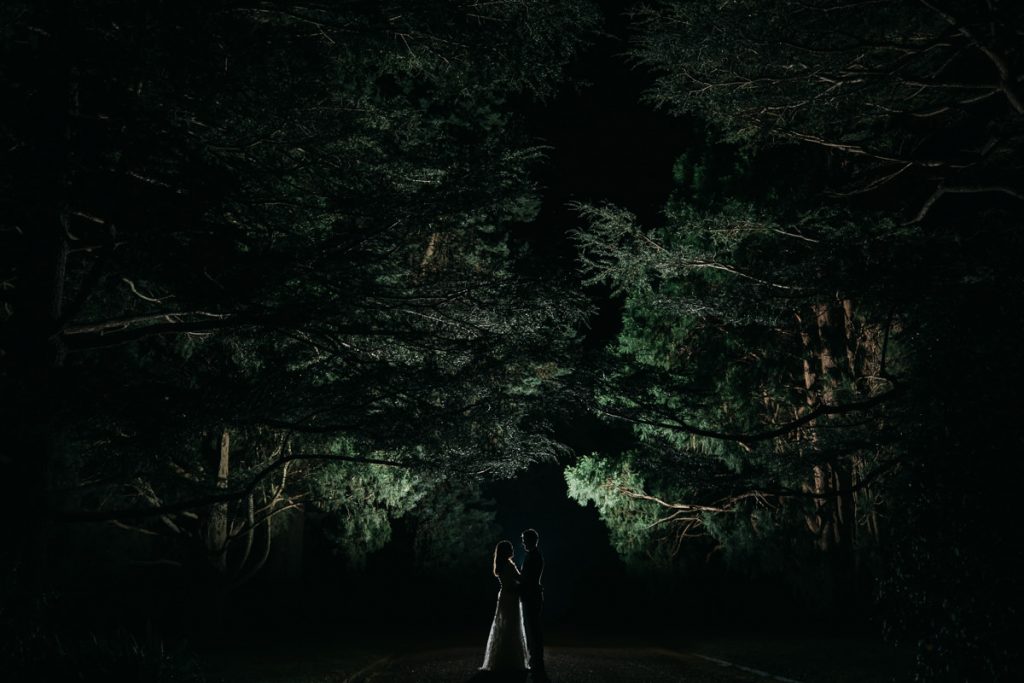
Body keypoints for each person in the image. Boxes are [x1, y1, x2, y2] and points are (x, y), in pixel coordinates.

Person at [481, 540, 528, 674]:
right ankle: (512, 660)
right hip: (511, 597)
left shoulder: (501, 565)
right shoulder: (508, 565)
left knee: (504, 626)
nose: (512, 549)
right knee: (512, 626)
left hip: (504, 597)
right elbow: (519, 579)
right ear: (506, 551)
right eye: (510, 548)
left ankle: (501, 659)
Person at [519, 528, 547, 680]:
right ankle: (535, 659)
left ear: (530, 540)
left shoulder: (534, 557)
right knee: (532, 628)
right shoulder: (533, 555)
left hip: (532, 596)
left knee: (534, 628)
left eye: (524, 539)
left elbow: (528, 579)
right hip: (532, 595)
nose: (522, 541)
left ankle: (537, 660)